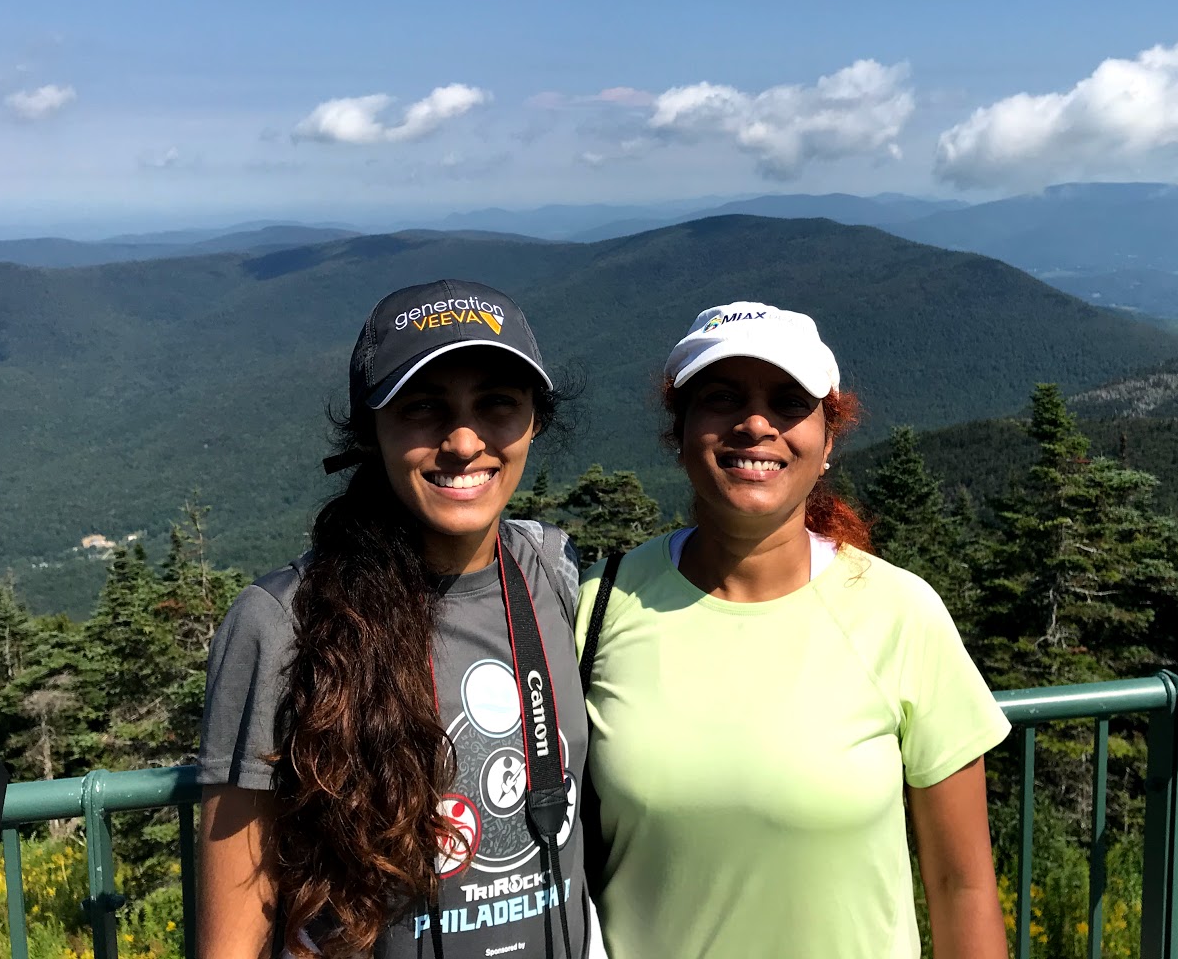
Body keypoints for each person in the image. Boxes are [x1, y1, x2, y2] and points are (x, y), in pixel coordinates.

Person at [576, 302, 1012, 959]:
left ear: (828, 441)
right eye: (721, 399)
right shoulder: (597, 608)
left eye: (787, 402)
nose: (755, 424)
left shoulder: (900, 613)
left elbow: (963, 885)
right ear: (682, 433)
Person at [198, 279, 594, 959]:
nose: (465, 441)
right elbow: (232, 939)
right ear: (370, 433)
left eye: (497, 405)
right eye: (423, 409)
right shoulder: (282, 622)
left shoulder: (550, 576)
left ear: (534, 421)